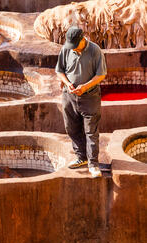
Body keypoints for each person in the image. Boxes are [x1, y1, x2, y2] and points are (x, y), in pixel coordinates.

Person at [55, 26, 107, 178]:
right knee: (71, 127)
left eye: (75, 45)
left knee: (91, 132)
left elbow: (101, 75)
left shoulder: (95, 50)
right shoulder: (66, 48)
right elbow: (59, 71)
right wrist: (67, 83)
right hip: (69, 96)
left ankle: (93, 164)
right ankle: (81, 157)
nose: (72, 48)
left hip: (90, 97)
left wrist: (85, 87)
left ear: (83, 39)